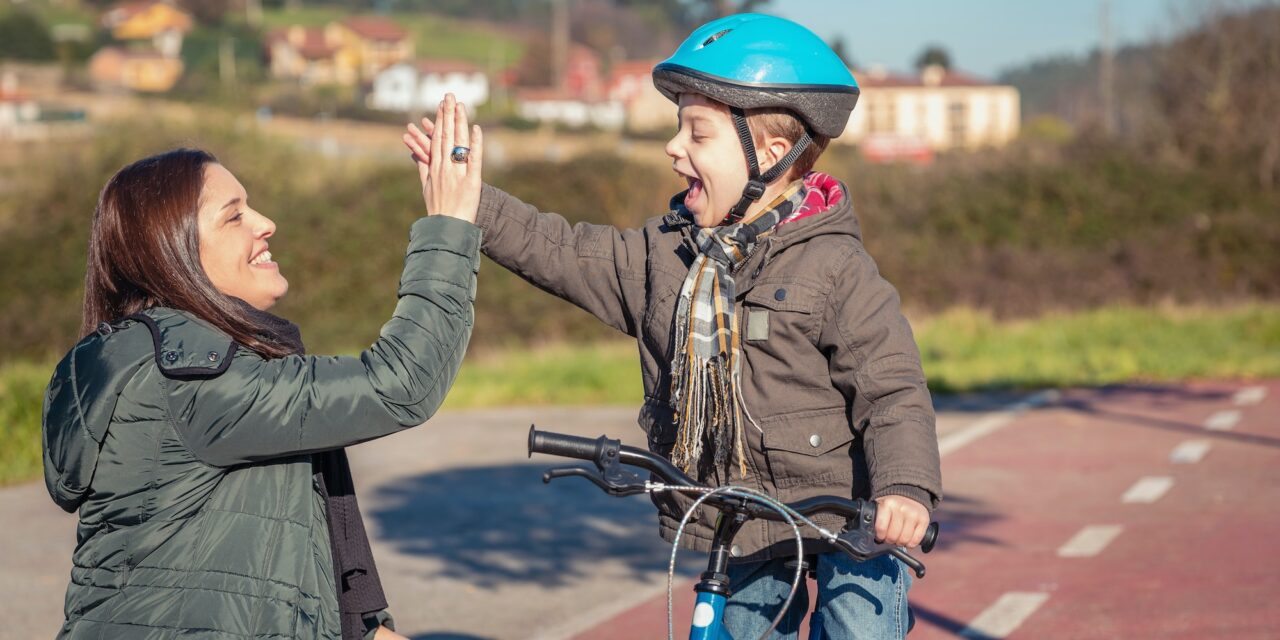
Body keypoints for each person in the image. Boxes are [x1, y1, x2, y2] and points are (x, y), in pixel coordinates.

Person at [404, 14, 941, 639]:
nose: (673, 147)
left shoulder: (834, 266)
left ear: (769, 154)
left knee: (856, 623)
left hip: (844, 516)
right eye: (676, 128)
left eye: (698, 132)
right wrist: (474, 206)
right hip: (741, 520)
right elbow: (564, 251)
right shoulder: (667, 257)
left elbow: (893, 389)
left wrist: (903, 491)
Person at [42, 106, 484, 640]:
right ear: (172, 252)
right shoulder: (183, 380)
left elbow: (266, 534)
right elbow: (401, 382)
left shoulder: (194, 367)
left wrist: (365, 627)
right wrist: (450, 225)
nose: (265, 222)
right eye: (234, 216)